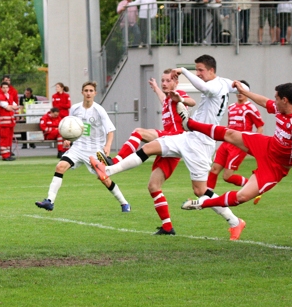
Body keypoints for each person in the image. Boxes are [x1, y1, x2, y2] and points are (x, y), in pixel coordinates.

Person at [90, 55, 247, 240]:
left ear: (212, 70)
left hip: (201, 143)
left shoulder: (214, 86)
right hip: (188, 136)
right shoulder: (223, 83)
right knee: (148, 149)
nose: (198, 74)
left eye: (200, 70)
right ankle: (108, 169)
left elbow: (202, 88)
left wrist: (184, 71)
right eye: (196, 70)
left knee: (200, 191)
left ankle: (235, 221)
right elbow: (230, 85)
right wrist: (238, 85)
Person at [180, 82, 292, 213]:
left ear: (285, 100)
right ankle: (190, 124)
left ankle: (202, 203)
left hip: (276, 167)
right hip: (267, 145)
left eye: (276, 98)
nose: (274, 101)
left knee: (242, 197)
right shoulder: (280, 108)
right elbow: (264, 101)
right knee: (230, 134)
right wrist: (245, 91)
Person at [98, 69, 195, 235]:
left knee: (139, 132)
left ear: (175, 82)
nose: (165, 83)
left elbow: (192, 101)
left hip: (175, 138)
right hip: (169, 146)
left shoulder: (177, 93)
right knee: (153, 186)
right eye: (162, 80)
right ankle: (167, 227)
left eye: (167, 81)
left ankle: (115, 161)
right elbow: (164, 99)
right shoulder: (167, 100)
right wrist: (156, 88)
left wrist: (181, 98)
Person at [35, 81, 130, 213]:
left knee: (104, 179)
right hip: (78, 147)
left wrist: (107, 146)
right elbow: (70, 127)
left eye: (91, 91)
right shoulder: (75, 108)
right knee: (60, 167)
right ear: (82, 92)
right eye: (86, 90)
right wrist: (67, 139)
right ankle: (49, 201)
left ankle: (124, 203)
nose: (88, 93)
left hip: (94, 150)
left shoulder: (99, 110)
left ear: (95, 93)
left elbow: (110, 131)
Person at [207, 80, 264, 198]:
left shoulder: (250, 108)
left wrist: (254, 145)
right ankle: (205, 196)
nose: (239, 93)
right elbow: (230, 126)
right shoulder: (231, 107)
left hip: (239, 145)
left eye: (242, 90)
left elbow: (260, 126)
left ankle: (254, 188)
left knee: (227, 177)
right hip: (227, 142)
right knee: (214, 170)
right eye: (237, 90)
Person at [0, 82, 19, 161]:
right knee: (4, 139)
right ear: (1, 88)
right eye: (4, 87)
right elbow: (8, 107)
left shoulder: (10, 96)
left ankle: (8, 154)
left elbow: (16, 106)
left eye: (7, 87)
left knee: (9, 139)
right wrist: (12, 107)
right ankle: (5, 155)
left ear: (9, 88)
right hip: (4, 123)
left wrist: (11, 106)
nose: (5, 89)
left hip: (10, 122)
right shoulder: (1, 97)